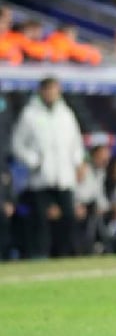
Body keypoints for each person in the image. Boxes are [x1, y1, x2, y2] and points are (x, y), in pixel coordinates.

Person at [10, 77, 86, 259]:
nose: (51, 93)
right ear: (41, 91)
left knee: (68, 218)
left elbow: (75, 143)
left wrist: (78, 162)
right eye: (48, 89)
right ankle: (40, 256)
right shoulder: (30, 115)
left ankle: (65, 256)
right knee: (41, 222)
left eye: (54, 89)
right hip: (41, 178)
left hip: (64, 177)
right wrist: (33, 160)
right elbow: (17, 144)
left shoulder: (66, 114)